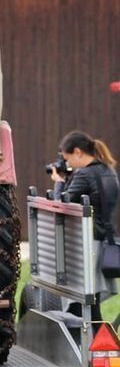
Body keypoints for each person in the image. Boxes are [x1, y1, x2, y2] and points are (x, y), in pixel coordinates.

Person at [51, 130, 119, 320]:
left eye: (68, 159)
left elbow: (61, 204)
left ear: (78, 152)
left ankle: (98, 345)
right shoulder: (108, 170)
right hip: (105, 240)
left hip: (88, 242)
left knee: (86, 303)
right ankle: (94, 343)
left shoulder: (85, 174)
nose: (68, 164)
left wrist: (59, 182)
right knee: (91, 301)